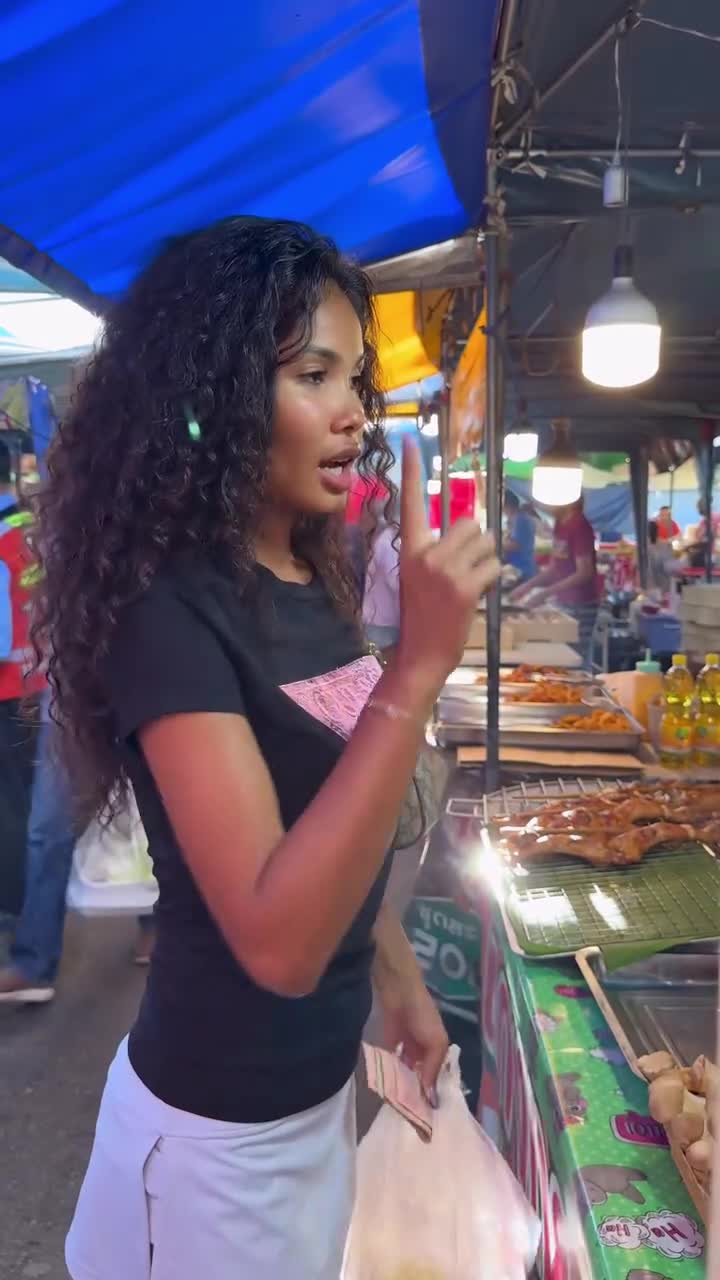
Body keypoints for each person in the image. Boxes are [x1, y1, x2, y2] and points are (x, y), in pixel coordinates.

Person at [33, 218, 500, 1280]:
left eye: (355, 377)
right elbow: (278, 941)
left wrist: (399, 981)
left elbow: (334, 815)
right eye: (312, 375)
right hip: (215, 1144)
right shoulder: (169, 614)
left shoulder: (308, 580)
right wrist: (417, 670)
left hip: (315, 1103)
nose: (353, 411)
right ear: (221, 396)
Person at [0, 691, 156, 1004]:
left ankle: (158, 919)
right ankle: (34, 963)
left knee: (155, 811)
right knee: (48, 828)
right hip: (70, 693)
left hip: (149, 686)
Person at [0, 438, 45, 916]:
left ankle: (15, 905)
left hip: (6, 690)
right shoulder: (31, 529)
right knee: (32, 797)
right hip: (40, 685)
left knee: (9, 804)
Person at [511, 494, 600, 662]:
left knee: (573, 659)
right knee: (554, 654)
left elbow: (584, 572)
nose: (543, 507)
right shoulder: (560, 524)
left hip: (581, 605)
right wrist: (527, 586)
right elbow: (554, 568)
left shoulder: (580, 526)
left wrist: (545, 593)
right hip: (562, 601)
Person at [362, 500, 400, 651]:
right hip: (382, 623)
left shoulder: (386, 539)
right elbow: (395, 580)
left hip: (381, 621)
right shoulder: (388, 541)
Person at [502, 489, 536, 583]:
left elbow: (515, 545)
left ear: (507, 506)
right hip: (521, 568)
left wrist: (495, 543)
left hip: (521, 570)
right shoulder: (520, 518)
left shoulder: (520, 520)